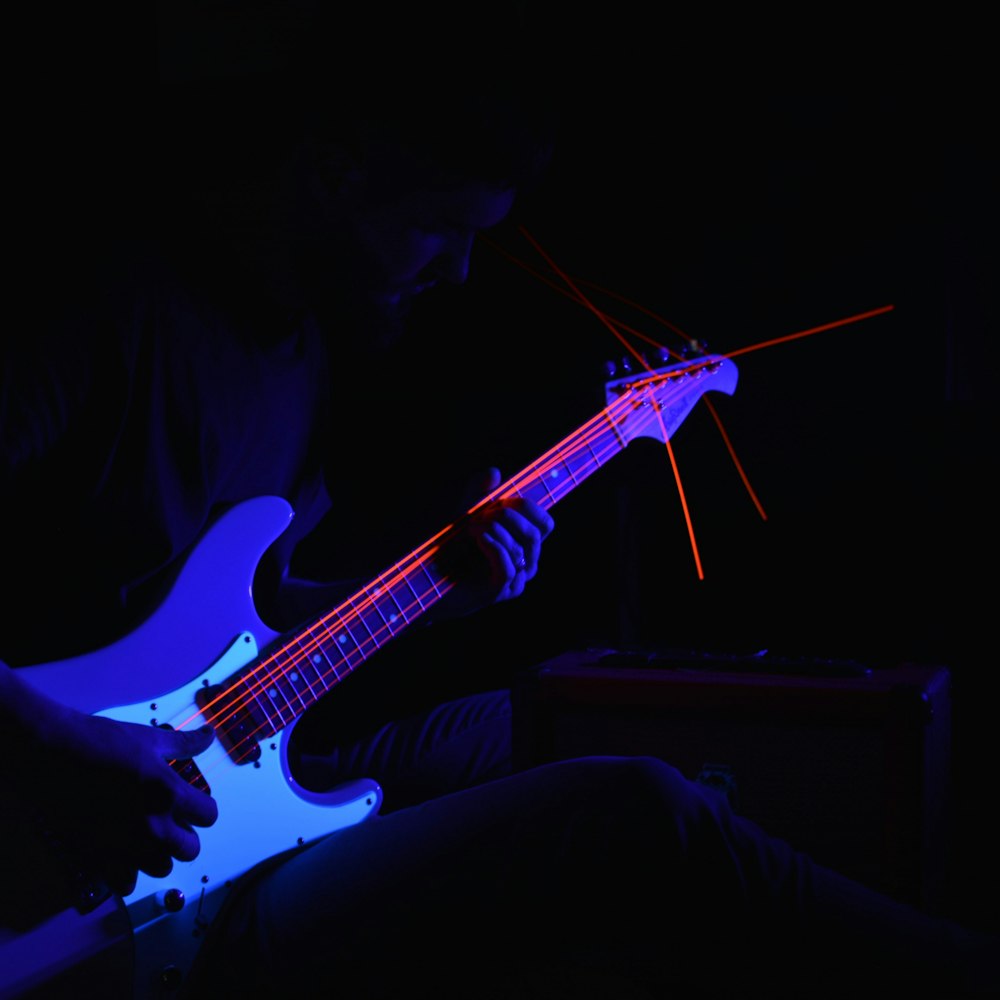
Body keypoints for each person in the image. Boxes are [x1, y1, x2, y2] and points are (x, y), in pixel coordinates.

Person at [2, 6, 997, 998]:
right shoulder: (110, 307)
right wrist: (58, 748)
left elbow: (254, 633)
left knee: (591, 720)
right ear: (335, 173)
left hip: (222, 783)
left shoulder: (299, 354)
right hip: (90, 866)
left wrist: (449, 577)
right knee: (633, 803)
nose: (459, 269)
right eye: (438, 227)